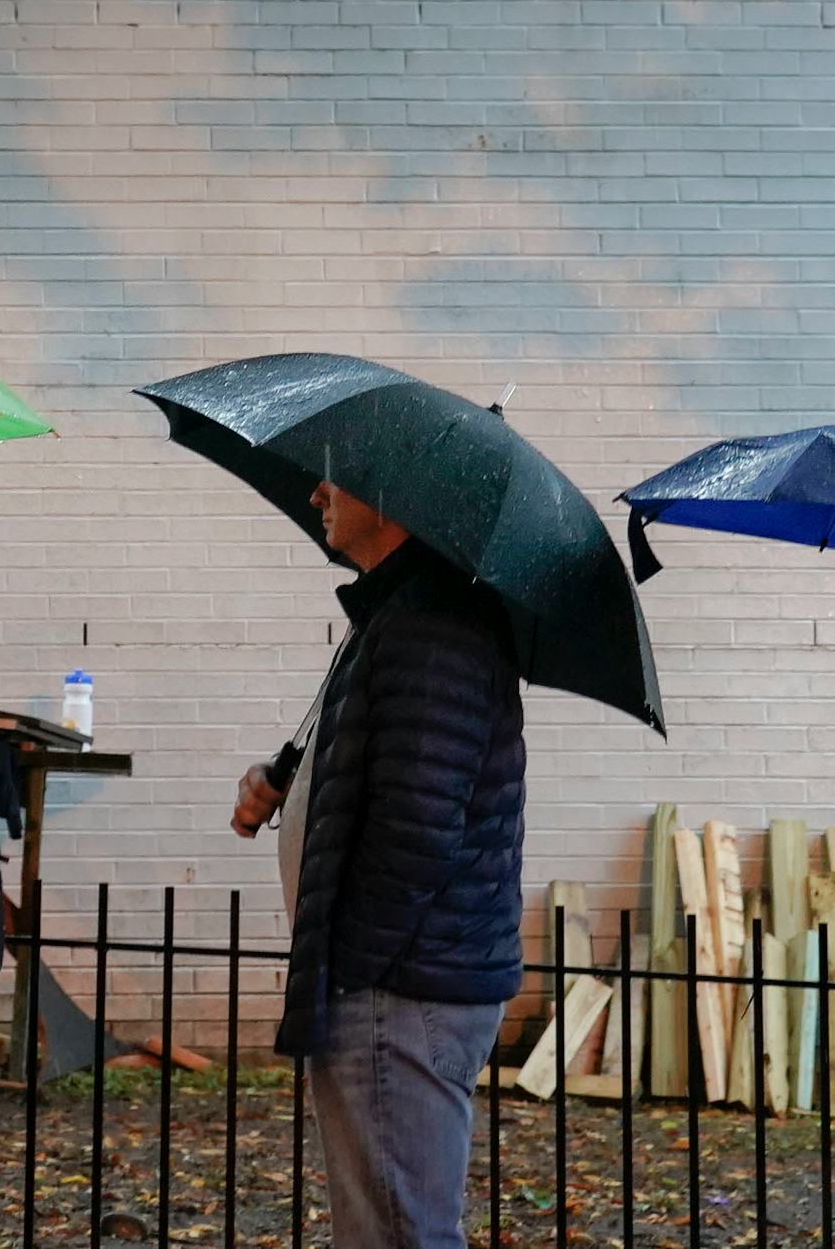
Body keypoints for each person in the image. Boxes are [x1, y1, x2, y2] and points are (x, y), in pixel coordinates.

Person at [231, 478, 524, 1249]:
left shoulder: (432, 624)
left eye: (338, 474)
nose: (316, 489)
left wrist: (352, 967)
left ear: (395, 496)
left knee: (399, 1235)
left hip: (400, 990)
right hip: (397, 982)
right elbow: (392, 769)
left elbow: (419, 826)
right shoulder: (397, 613)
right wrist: (289, 779)